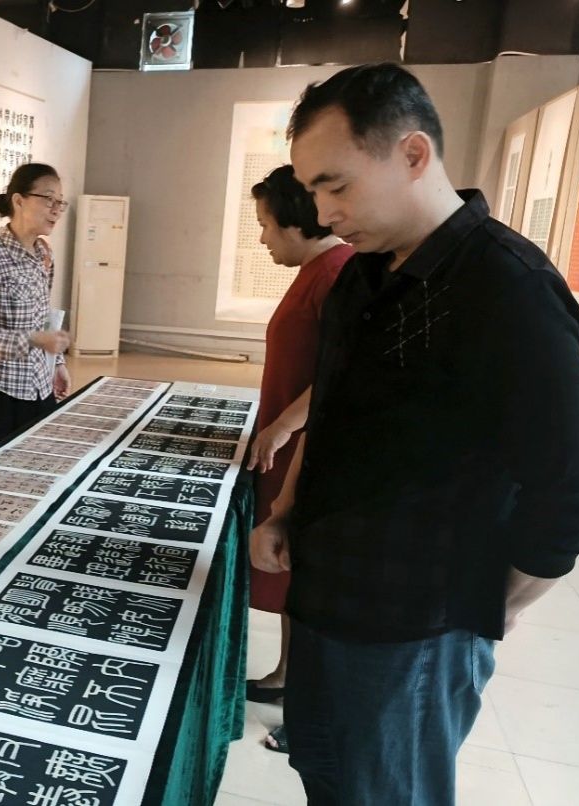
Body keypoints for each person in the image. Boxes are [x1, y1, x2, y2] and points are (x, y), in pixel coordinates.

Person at [251, 62, 579, 804]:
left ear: (412, 154)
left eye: (336, 186)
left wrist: (485, 609)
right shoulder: (361, 276)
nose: (324, 212)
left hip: (416, 630)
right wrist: (286, 511)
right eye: (311, 191)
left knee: (390, 792)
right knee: (328, 778)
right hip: (327, 595)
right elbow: (332, 409)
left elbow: (566, 493)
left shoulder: (509, 286)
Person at [244, 165, 353, 754]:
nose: (263, 238)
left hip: (308, 448)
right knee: (293, 570)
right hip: (288, 445)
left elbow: (340, 370)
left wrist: (286, 424)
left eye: (266, 225)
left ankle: (310, 705)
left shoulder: (335, 272)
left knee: (308, 573)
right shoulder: (317, 270)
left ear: (294, 221)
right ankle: (289, 676)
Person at [0, 163, 72, 460]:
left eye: (60, 202)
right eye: (48, 199)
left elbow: (43, 316)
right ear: (19, 200)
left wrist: (57, 363)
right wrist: (33, 340)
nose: (56, 209)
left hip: (39, 387)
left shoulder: (44, 254)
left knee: (35, 468)